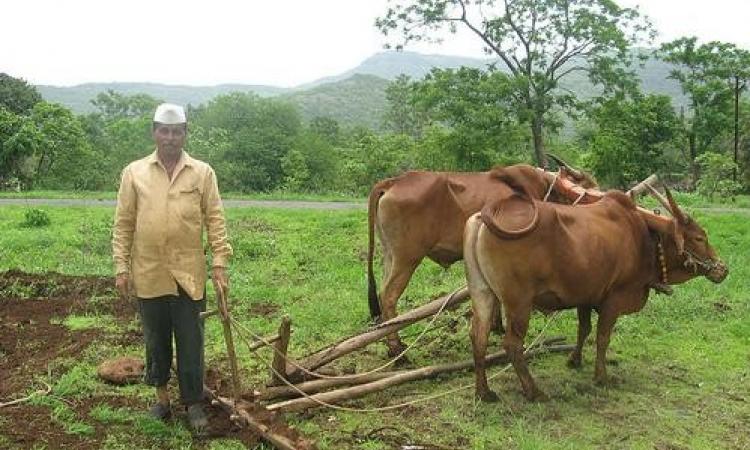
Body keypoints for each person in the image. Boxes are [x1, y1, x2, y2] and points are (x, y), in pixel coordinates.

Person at [112, 103, 232, 432]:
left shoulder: (202, 172)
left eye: (176, 131)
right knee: (156, 339)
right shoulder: (134, 172)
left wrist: (219, 262)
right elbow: (123, 224)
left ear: (184, 134)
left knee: (191, 339)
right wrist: (121, 267)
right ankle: (162, 399)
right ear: (154, 132)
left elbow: (215, 219)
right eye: (163, 131)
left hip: (189, 273)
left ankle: (193, 403)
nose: (169, 137)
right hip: (148, 271)